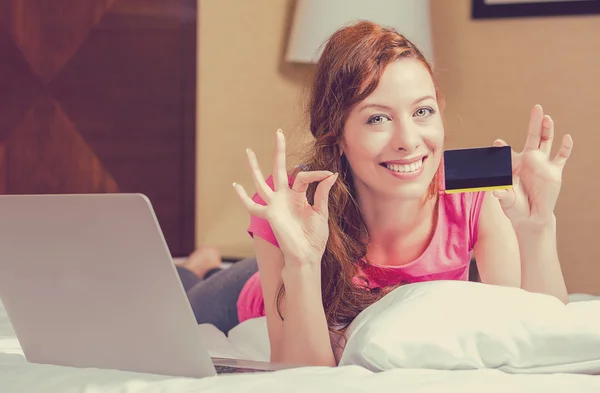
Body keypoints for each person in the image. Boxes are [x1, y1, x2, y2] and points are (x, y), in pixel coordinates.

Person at [179, 20, 574, 367]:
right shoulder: (293, 206)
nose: (408, 141)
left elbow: (532, 328)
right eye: (378, 118)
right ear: (336, 135)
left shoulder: (474, 191)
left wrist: (537, 225)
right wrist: (301, 261)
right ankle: (199, 266)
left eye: (422, 111)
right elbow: (300, 374)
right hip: (255, 288)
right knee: (181, 298)